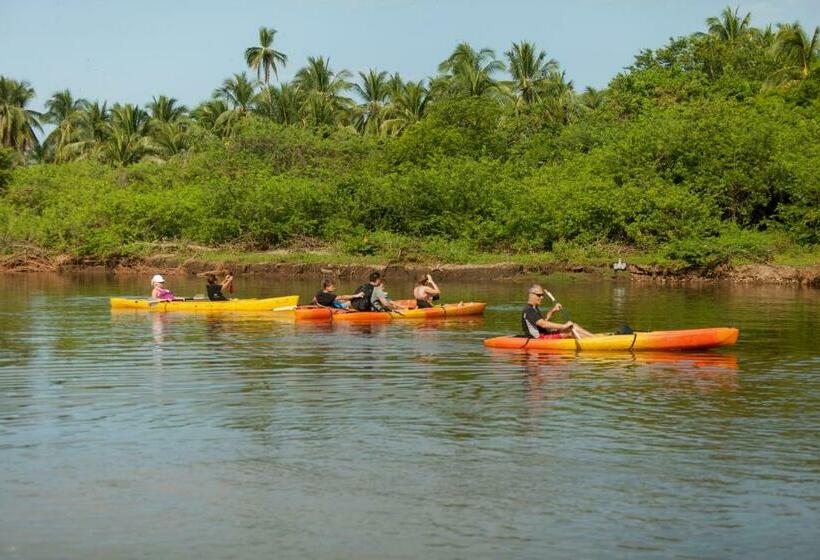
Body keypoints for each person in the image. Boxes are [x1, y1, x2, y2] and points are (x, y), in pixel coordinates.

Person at [522, 283, 594, 339]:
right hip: (539, 338)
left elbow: (543, 320)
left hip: (545, 335)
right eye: (539, 295)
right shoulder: (529, 310)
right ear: (531, 295)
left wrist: (552, 311)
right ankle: (593, 341)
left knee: (573, 326)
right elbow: (543, 324)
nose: (542, 297)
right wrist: (563, 326)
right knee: (570, 332)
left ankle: (593, 337)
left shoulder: (534, 308)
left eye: (542, 295)